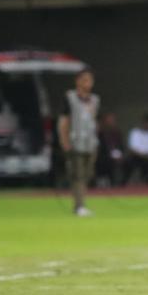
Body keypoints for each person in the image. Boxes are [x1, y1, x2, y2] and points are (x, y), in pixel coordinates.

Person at [58, 68, 99, 217]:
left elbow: (93, 121)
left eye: (90, 80)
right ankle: (79, 206)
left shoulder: (95, 100)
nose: (88, 83)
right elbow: (64, 121)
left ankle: (81, 203)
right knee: (78, 175)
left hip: (90, 143)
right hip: (75, 142)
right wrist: (64, 140)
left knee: (88, 174)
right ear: (78, 81)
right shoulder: (70, 98)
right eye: (85, 79)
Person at [95, 112, 125, 188]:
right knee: (103, 160)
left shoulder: (117, 133)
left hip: (116, 156)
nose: (111, 123)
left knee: (126, 162)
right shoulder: (100, 133)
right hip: (103, 157)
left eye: (112, 121)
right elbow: (100, 148)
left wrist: (118, 155)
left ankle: (119, 185)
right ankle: (102, 182)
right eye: (109, 121)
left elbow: (121, 147)